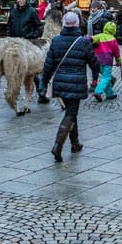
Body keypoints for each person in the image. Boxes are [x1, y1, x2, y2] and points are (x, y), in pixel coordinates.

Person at [41, 12, 96, 162]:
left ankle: (75, 143)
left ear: (64, 24)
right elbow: (93, 62)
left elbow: (48, 64)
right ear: (77, 24)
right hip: (76, 83)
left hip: (60, 82)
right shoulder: (83, 42)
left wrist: (43, 82)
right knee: (71, 113)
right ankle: (57, 146)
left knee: (71, 111)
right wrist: (96, 77)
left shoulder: (56, 40)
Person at [90, 21, 121, 102]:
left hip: (98, 60)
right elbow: (116, 52)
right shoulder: (113, 40)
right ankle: (98, 92)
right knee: (106, 77)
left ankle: (109, 94)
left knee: (106, 76)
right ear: (114, 30)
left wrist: (85, 38)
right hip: (107, 61)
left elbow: (91, 39)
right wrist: (118, 62)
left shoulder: (100, 36)